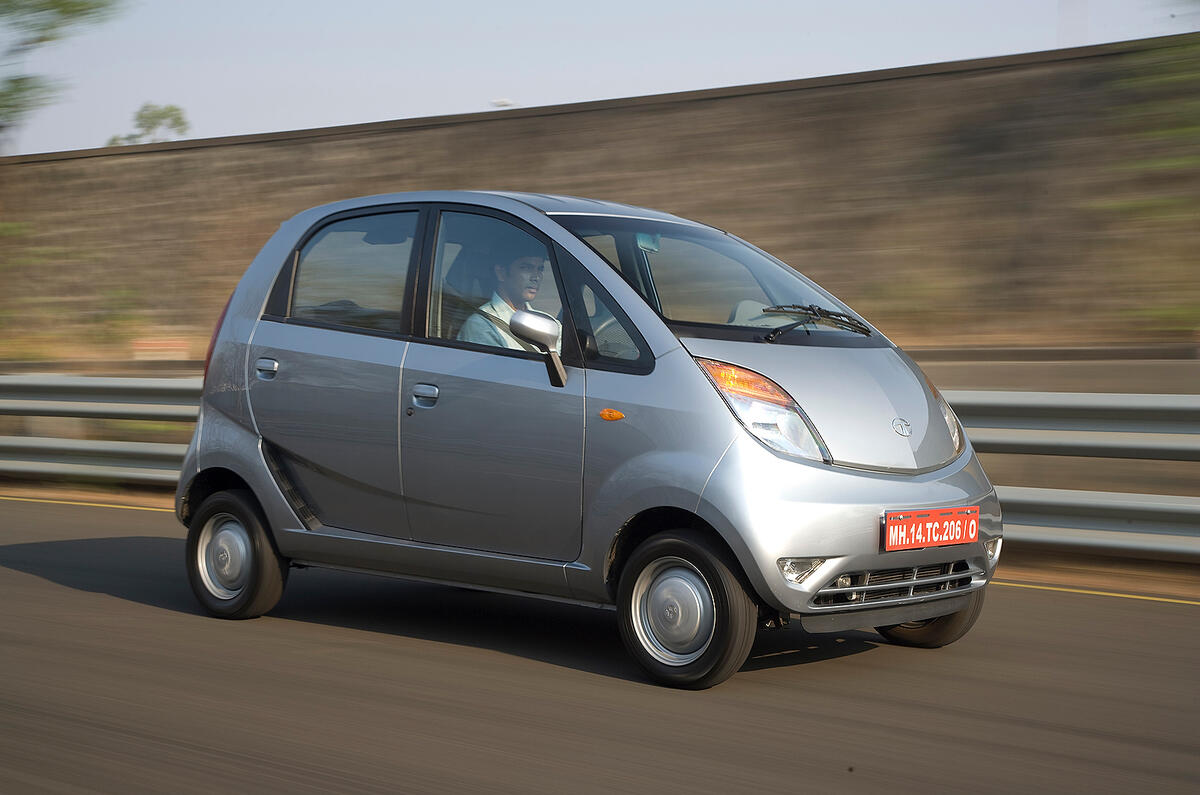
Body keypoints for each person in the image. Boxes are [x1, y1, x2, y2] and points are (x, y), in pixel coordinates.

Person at [457, 253, 561, 352]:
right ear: (500, 273)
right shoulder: (482, 325)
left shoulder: (552, 325)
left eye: (540, 269)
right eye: (526, 268)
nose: (536, 277)